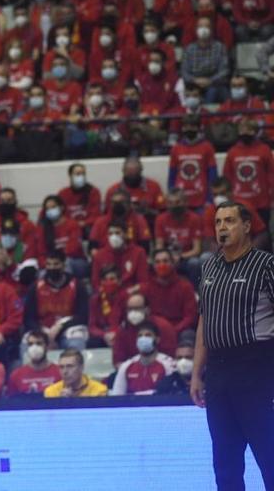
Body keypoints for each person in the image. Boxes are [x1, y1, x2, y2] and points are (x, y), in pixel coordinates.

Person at [192, 201, 274, 489]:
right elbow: (205, 322)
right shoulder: (209, 267)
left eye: (229, 221)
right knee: (225, 463)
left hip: (256, 369)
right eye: (218, 222)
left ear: (247, 226)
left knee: (269, 456)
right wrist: (196, 373)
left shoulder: (266, 265)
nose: (222, 227)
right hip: (218, 372)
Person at [138, 249, 199, 336]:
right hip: (154, 331)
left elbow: (190, 317)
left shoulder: (185, 286)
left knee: (188, 335)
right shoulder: (146, 288)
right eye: (157, 262)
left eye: (165, 261)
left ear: (173, 263)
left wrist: (173, 331)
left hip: (180, 330)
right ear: (153, 265)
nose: (161, 265)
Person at [112, 292, 178, 366]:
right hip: (131, 371)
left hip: (161, 370)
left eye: (137, 308)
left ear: (147, 309)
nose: (133, 312)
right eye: (130, 309)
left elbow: (171, 358)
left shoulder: (163, 327)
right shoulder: (123, 329)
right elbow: (118, 361)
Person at [111, 323, 176, 395]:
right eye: (140, 336)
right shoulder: (126, 366)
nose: (143, 338)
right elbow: (117, 395)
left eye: (148, 335)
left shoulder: (168, 364)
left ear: (157, 339)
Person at [90, 220, 149, 289]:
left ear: (126, 234)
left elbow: (143, 281)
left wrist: (129, 292)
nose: (113, 237)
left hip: (130, 293)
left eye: (117, 233)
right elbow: (96, 283)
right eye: (110, 234)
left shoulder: (139, 252)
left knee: (137, 300)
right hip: (108, 293)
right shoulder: (99, 255)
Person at [7, 331, 61, 397]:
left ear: (47, 346)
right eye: (30, 344)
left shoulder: (59, 372)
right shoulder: (16, 375)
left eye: (39, 343)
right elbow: (11, 402)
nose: (34, 348)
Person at [43, 349, 108, 398]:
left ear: (81, 367)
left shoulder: (99, 390)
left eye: (70, 366)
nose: (65, 372)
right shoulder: (51, 392)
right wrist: (59, 402)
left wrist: (75, 401)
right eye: (61, 367)